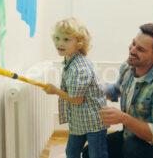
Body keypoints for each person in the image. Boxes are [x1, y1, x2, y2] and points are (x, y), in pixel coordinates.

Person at [82, 23, 153, 158]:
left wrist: (124, 118)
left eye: (140, 49)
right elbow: (116, 90)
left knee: (131, 149)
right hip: (132, 135)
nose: (132, 50)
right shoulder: (128, 67)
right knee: (89, 152)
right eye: (133, 43)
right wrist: (91, 89)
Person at [43, 17, 108, 158]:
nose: (60, 43)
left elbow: (76, 99)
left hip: (94, 120)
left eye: (66, 40)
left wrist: (54, 91)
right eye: (57, 38)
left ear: (78, 43)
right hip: (80, 120)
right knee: (71, 152)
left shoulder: (79, 67)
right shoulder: (69, 60)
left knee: (97, 154)